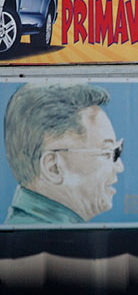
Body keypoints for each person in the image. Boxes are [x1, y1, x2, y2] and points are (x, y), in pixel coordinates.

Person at [4, 82, 124, 224]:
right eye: (107, 153)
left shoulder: (29, 230)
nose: (120, 167)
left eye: (117, 150)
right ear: (53, 167)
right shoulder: (53, 239)